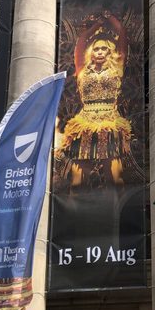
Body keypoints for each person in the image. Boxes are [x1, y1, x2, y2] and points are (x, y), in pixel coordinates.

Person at [56, 15, 132, 189]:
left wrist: (110, 18)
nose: (99, 52)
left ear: (109, 51)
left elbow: (122, 34)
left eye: (103, 49)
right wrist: (96, 26)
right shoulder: (82, 70)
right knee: (77, 180)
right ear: (91, 52)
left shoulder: (116, 68)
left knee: (115, 177)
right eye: (96, 49)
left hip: (110, 122)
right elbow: (81, 42)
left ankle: (117, 209)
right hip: (84, 124)